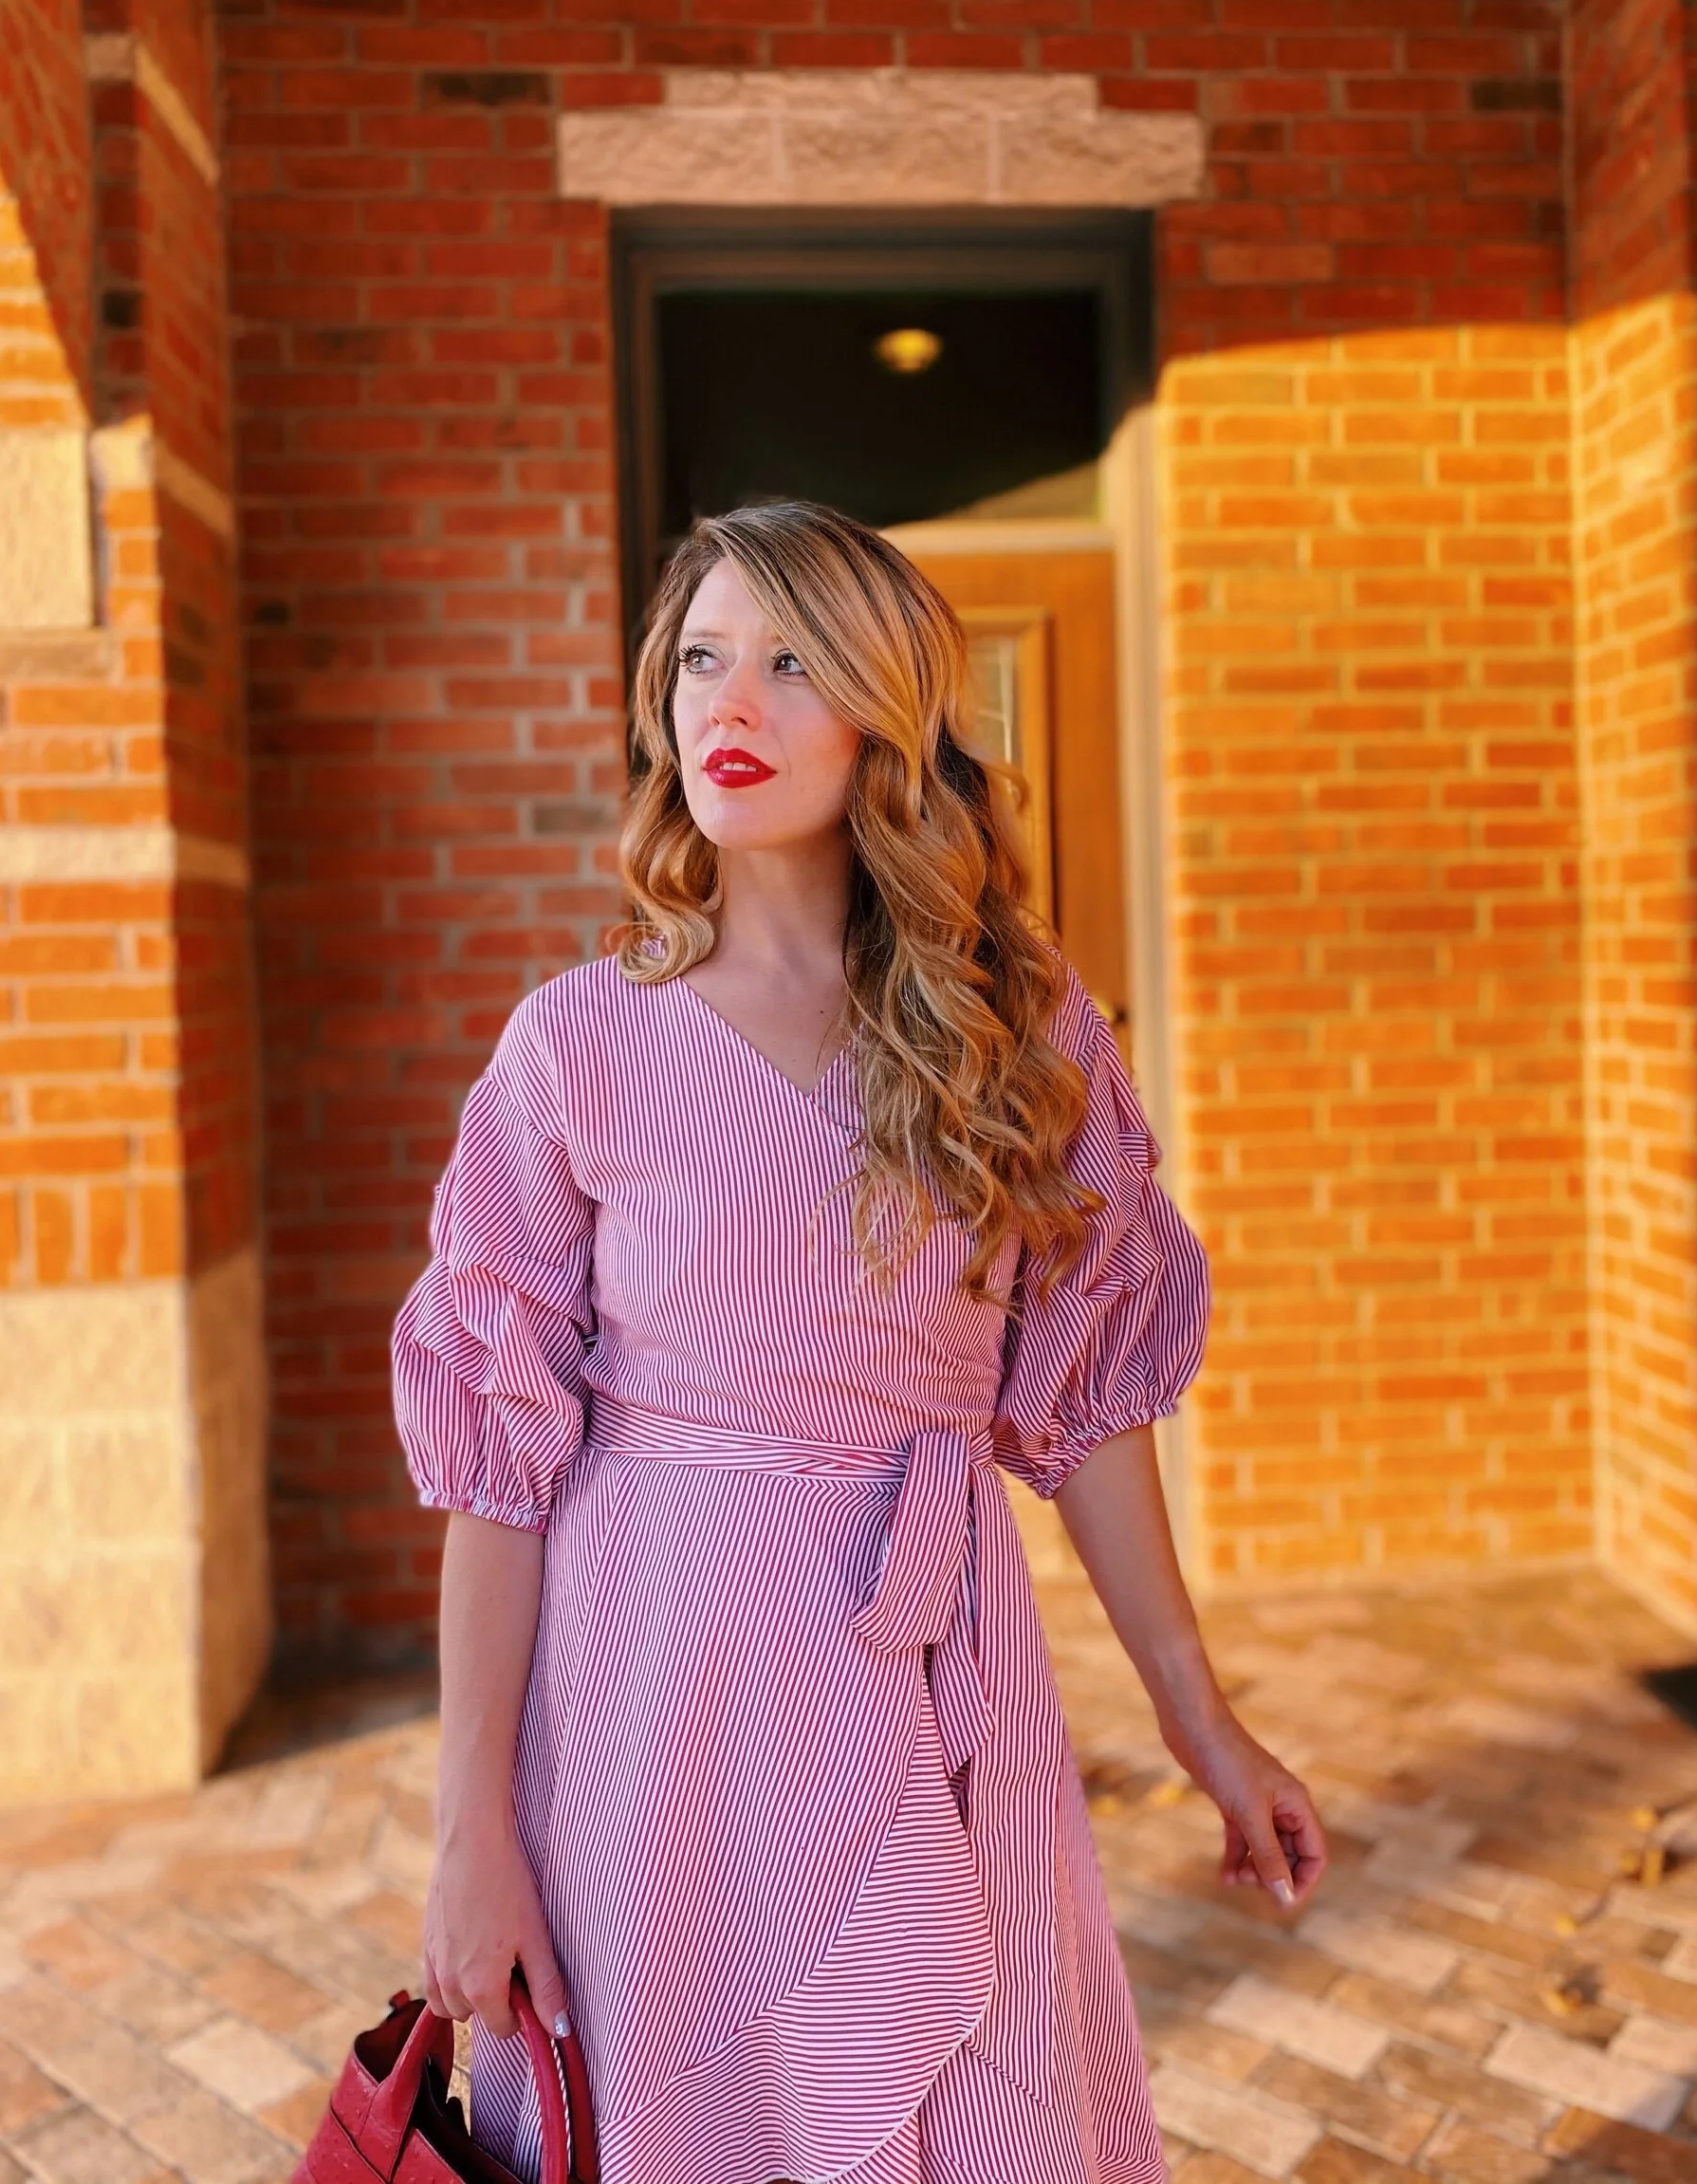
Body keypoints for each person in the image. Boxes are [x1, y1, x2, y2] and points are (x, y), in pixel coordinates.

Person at [390, 501, 1326, 2184]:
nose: (730, 706)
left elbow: (1086, 1408)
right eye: (700, 660)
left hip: (929, 1680)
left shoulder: (1018, 1034)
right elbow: (498, 1474)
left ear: (885, 714)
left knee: (970, 2105)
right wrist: (471, 1831)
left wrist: (1202, 1720)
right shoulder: (575, 1048)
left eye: (791, 662)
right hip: (649, 1718)